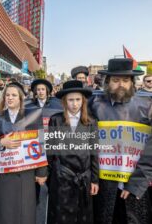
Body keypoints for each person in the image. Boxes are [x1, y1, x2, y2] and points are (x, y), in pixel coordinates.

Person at [89, 58, 152, 224]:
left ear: (132, 82)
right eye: (116, 80)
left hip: (135, 183)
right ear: (107, 82)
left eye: (125, 80)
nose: (121, 85)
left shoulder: (147, 106)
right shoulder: (93, 105)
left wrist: (137, 183)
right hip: (103, 185)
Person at [0, 82, 47, 224]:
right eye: (7, 95)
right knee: (6, 208)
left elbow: (40, 143)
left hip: (26, 172)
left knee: (25, 209)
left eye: (14, 95)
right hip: (5, 171)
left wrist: (41, 172)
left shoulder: (32, 115)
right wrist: (1, 143)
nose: (10, 98)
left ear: (21, 98)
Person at [46, 80, 99, 224]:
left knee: (82, 216)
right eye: (70, 100)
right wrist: (48, 175)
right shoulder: (55, 120)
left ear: (83, 101)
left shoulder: (91, 122)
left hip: (84, 178)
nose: (74, 104)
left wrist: (95, 179)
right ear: (64, 101)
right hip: (61, 177)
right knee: (60, 216)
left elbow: (94, 152)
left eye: (78, 99)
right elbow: (50, 150)